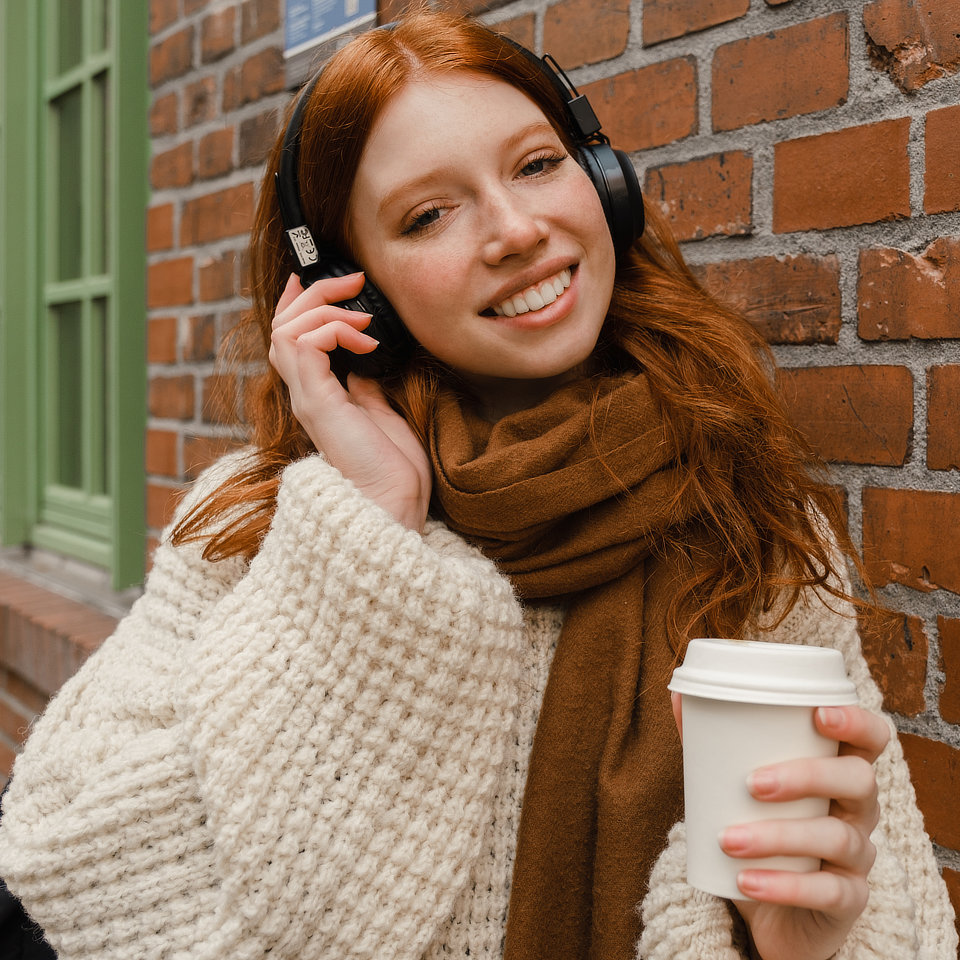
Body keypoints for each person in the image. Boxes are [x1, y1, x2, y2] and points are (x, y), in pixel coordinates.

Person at [0, 10, 955, 960]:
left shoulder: (754, 522)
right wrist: (369, 535)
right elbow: (71, 870)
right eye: (428, 214)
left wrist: (793, 947)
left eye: (538, 165)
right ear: (352, 286)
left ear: (604, 183)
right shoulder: (261, 524)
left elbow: (896, 915)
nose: (516, 230)